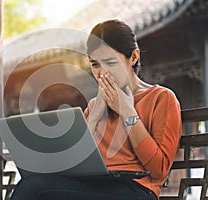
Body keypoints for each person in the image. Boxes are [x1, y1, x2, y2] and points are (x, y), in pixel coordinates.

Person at [10, 19, 182, 200]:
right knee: (34, 183)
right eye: (95, 64)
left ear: (133, 57)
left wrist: (127, 111)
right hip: (93, 186)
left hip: (136, 190)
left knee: (34, 188)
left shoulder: (161, 98)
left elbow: (159, 171)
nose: (102, 73)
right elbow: (75, 164)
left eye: (110, 62)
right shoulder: (94, 106)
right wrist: (92, 120)